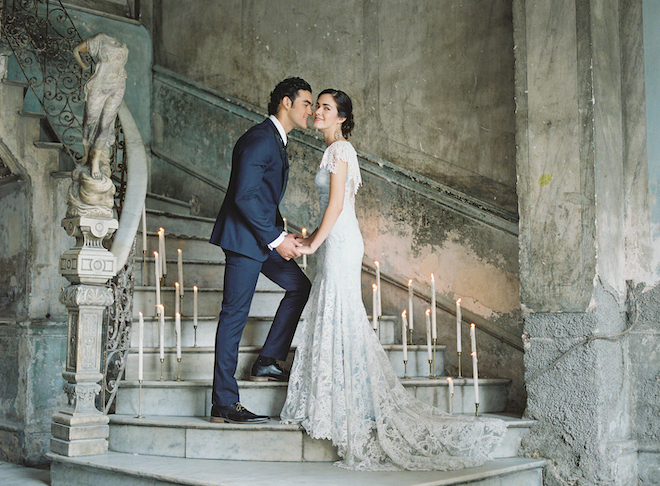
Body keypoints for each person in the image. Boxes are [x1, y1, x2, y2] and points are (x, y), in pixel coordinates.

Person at [280, 89, 508, 471]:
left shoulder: (340, 151)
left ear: (341, 117)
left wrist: (312, 245)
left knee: (344, 317)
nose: (317, 111)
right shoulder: (333, 150)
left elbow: (337, 205)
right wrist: (313, 236)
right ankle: (335, 404)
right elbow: (333, 208)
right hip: (336, 239)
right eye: (316, 106)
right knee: (335, 314)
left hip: (340, 243)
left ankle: (349, 408)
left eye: (325, 108)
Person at [209, 77, 313, 424]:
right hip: (244, 241)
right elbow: (244, 196)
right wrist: (276, 239)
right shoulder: (258, 139)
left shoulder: (274, 141)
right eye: (306, 104)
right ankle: (224, 403)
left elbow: (262, 198)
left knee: (300, 286)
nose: (310, 111)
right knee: (234, 316)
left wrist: (283, 235)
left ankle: (268, 360)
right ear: (286, 102)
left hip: (261, 238)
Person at [73, 33, 128, 180]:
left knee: (105, 125)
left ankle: (96, 160)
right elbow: (76, 50)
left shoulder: (124, 47)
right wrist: (84, 65)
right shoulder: (100, 39)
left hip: (118, 86)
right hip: (99, 86)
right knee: (90, 121)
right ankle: (86, 155)